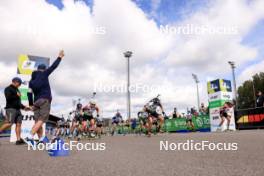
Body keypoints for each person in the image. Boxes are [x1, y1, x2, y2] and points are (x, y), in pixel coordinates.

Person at [26, 50, 65, 144]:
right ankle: (29, 136)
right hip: (44, 100)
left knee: (37, 121)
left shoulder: (31, 81)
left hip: (36, 102)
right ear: (43, 69)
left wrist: (31, 104)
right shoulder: (44, 74)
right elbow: (53, 67)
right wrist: (59, 57)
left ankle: (41, 139)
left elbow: (29, 93)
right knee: (42, 120)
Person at [0, 77, 30, 145]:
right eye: (19, 83)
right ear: (15, 82)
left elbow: (18, 102)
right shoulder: (8, 88)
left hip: (18, 110)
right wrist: (17, 96)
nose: (19, 85)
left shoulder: (17, 90)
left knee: (19, 124)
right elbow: (8, 98)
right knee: (9, 123)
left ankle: (18, 140)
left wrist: (24, 107)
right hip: (11, 109)